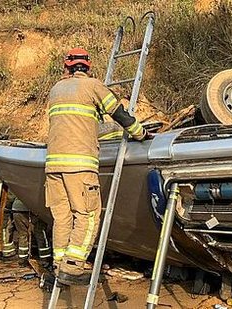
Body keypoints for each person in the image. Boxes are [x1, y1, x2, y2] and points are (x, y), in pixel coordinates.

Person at [45, 47, 147, 285]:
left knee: (62, 218)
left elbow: (72, 123)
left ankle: (60, 263)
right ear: (88, 67)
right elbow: (118, 113)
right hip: (80, 165)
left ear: (66, 67)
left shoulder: (55, 90)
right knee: (88, 215)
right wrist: (140, 133)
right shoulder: (92, 86)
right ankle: (73, 266)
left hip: (53, 167)